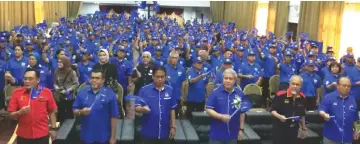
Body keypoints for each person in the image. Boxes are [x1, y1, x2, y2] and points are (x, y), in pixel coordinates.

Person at [7, 68, 57, 144]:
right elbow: (10, 115)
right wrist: (20, 112)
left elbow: (52, 111)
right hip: (23, 135)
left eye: (30, 79)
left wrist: (53, 129)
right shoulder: (16, 93)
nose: (27, 81)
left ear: (38, 80)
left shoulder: (47, 92)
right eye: (25, 79)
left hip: (42, 134)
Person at [73, 69, 119, 144]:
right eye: (92, 77)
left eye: (97, 78)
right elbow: (75, 110)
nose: (94, 80)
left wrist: (113, 137)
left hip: (104, 136)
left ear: (103, 80)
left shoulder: (110, 94)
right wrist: (81, 112)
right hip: (86, 136)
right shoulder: (82, 92)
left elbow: (114, 116)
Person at [205, 68, 251, 144]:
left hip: (233, 134)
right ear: (223, 79)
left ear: (235, 80)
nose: (228, 81)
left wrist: (241, 129)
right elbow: (208, 109)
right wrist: (221, 116)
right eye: (226, 78)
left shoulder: (240, 93)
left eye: (230, 79)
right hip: (217, 135)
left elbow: (242, 112)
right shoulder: (215, 93)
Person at [135, 66, 177, 144]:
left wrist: (173, 127)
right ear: (153, 77)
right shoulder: (144, 90)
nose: (160, 79)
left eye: (162, 77)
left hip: (164, 132)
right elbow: (136, 107)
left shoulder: (170, 90)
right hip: (148, 133)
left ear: (165, 77)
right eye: (157, 77)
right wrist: (142, 109)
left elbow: (172, 109)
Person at [319, 77, 359, 144]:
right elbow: (321, 110)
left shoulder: (353, 100)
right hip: (331, 137)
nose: (346, 88)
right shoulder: (329, 97)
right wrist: (324, 114)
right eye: (344, 85)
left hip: (347, 137)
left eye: (349, 86)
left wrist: (356, 130)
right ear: (337, 86)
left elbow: (355, 118)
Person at [271, 75, 307, 144]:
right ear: (289, 84)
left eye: (297, 84)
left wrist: (303, 128)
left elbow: (302, 114)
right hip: (280, 128)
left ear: (300, 86)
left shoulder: (303, 97)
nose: (295, 86)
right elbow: (272, 110)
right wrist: (279, 116)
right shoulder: (280, 95)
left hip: (294, 129)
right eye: (293, 84)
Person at [54, 55, 79, 123]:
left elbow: (76, 83)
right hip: (59, 97)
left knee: (69, 116)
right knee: (60, 115)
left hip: (69, 97)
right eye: (58, 62)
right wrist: (56, 87)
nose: (59, 63)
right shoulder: (56, 71)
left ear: (65, 63)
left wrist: (68, 90)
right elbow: (55, 82)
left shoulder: (71, 72)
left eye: (61, 62)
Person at [164, 51, 186, 118]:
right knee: (166, 115)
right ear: (170, 58)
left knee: (175, 115)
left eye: (176, 58)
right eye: (173, 58)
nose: (174, 60)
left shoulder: (182, 69)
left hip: (177, 96)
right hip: (166, 95)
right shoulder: (164, 68)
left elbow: (183, 83)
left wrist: (182, 96)